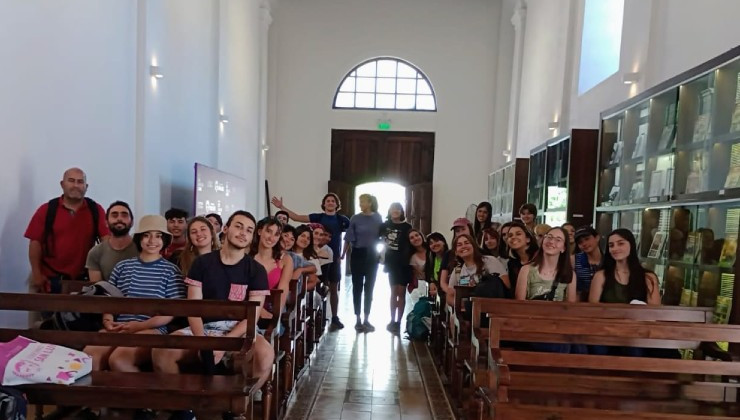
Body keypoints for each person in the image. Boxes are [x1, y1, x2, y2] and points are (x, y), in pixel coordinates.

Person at [152, 210, 274, 420]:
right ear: (225, 229)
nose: (243, 233)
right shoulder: (203, 263)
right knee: (161, 351)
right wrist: (204, 342)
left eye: (249, 230)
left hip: (239, 331)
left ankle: (236, 407)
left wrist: (224, 343)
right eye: (238, 226)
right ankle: (185, 406)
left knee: (265, 356)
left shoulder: (255, 270)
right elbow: (194, 308)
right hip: (204, 328)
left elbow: (251, 315)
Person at [84, 215, 185, 373]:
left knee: (119, 360)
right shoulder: (123, 266)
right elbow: (109, 298)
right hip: (120, 326)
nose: (152, 241)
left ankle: (141, 397)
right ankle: (101, 397)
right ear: (139, 239)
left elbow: (171, 312)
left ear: (164, 240)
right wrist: (108, 319)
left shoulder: (171, 271)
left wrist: (139, 326)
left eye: (158, 236)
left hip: (152, 328)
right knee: (89, 359)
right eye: (147, 235)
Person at [25, 168, 110, 296]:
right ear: (62, 184)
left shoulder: (96, 210)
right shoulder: (46, 210)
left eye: (80, 182)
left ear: (86, 187)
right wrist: (37, 274)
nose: (76, 185)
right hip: (47, 279)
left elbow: (107, 241)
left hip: (82, 281)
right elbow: (35, 242)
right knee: (40, 315)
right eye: (71, 181)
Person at [271, 193, 350, 329]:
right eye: (328, 201)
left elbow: (351, 234)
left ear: (337, 204)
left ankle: (335, 316)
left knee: (333, 287)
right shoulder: (318, 217)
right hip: (313, 254)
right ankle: (317, 318)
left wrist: (343, 254)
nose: (330, 203)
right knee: (318, 284)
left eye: (333, 201)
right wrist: (281, 207)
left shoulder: (342, 219)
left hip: (332, 257)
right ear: (324, 204)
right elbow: (296, 217)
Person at [342, 194, 382, 332]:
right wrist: (342, 254)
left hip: (372, 255)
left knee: (369, 287)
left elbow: (382, 237)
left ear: (370, 203)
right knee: (357, 287)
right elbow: (348, 237)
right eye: (359, 201)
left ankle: (367, 318)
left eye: (363, 201)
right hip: (357, 254)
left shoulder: (377, 217)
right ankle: (357, 319)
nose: (360, 204)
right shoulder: (355, 218)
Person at [589, 228, 660, 305]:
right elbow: (593, 309)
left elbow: (655, 310)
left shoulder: (648, 277)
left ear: (631, 245)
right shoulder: (600, 276)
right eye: (611, 245)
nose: (615, 249)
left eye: (620, 244)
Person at [250, 217, 294, 327]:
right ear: (260, 231)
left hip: (271, 312)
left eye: (276, 234)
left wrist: (276, 317)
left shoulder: (285, 259)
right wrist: (258, 311)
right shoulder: (247, 257)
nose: (271, 238)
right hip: (248, 309)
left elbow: (283, 290)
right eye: (268, 231)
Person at [446, 233, 510, 307]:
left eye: (467, 243)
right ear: (456, 252)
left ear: (474, 246)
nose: (464, 246)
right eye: (459, 245)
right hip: (468, 312)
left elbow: (506, 285)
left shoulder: (490, 261)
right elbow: (449, 296)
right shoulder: (457, 271)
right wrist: (463, 305)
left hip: (492, 308)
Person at [515, 227, 576, 303]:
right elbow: (519, 305)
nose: (551, 241)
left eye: (558, 239)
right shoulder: (526, 270)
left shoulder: (569, 274)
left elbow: (570, 308)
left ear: (563, 248)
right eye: (549, 237)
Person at [380, 202, 413, 334]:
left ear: (401, 212)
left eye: (398, 209)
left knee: (401, 292)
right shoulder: (384, 225)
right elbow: (377, 239)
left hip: (404, 263)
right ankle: (392, 320)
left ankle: (399, 321)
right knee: (393, 292)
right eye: (392, 208)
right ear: (389, 211)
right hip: (391, 263)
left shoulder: (407, 226)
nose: (395, 211)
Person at [86, 201, 138, 282]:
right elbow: (97, 290)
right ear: (106, 222)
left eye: (124, 215)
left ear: (132, 222)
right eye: (114, 215)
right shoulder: (95, 253)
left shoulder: (142, 249)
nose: (119, 219)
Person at [505, 221, 539, 294]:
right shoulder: (511, 263)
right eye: (510, 235)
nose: (513, 237)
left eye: (518, 234)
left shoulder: (540, 258)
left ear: (528, 239)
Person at [572, 226, 602, 301]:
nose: (584, 244)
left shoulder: (609, 260)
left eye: (587, 239)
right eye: (580, 242)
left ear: (597, 238)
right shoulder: (574, 260)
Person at [424, 232, 449, 299]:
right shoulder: (431, 259)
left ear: (443, 242)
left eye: (437, 241)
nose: (434, 244)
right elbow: (428, 275)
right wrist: (431, 282)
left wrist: (439, 291)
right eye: (431, 243)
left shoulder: (450, 258)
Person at [408, 228, 429, 302]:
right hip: (424, 285)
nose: (415, 238)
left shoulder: (431, 249)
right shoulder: (413, 258)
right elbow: (421, 275)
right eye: (412, 238)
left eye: (417, 235)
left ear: (421, 236)